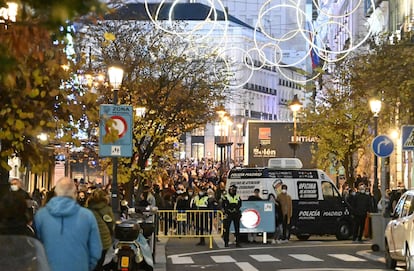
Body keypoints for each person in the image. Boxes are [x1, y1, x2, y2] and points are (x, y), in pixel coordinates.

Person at [34, 176, 102, 271]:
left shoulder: (41, 215)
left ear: (56, 193)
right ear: (75, 194)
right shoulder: (87, 216)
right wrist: (86, 265)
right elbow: (96, 250)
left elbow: (37, 246)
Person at [86, 189, 114, 271]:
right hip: (104, 241)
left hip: (90, 240)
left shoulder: (87, 210)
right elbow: (111, 224)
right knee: (100, 261)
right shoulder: (107, 209)